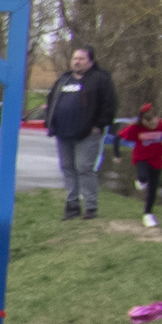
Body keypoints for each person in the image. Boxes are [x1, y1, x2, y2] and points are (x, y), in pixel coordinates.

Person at [47, 47, 117, 218]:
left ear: (91, 61)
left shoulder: (99, 79)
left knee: (84, 167)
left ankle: (91, 206)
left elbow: (110, 104)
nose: (77, 62)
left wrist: (99, 125)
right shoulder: (64, 79)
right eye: (75, 58)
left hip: (88, 133)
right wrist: (51, 122)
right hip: (63, 133)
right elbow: (52, 101)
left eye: (81, 59)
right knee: (67, 168)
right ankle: (72, 205)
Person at [128, 102, 162, 227]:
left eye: (153, 121)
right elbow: (118, 137)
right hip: (142, 158)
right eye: (147, 122)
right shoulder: (136, 127)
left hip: (157, 159)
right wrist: (117, 154)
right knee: (143, 177)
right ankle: (141, 180)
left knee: (153, 187)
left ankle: (148, 214)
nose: (151, 125)